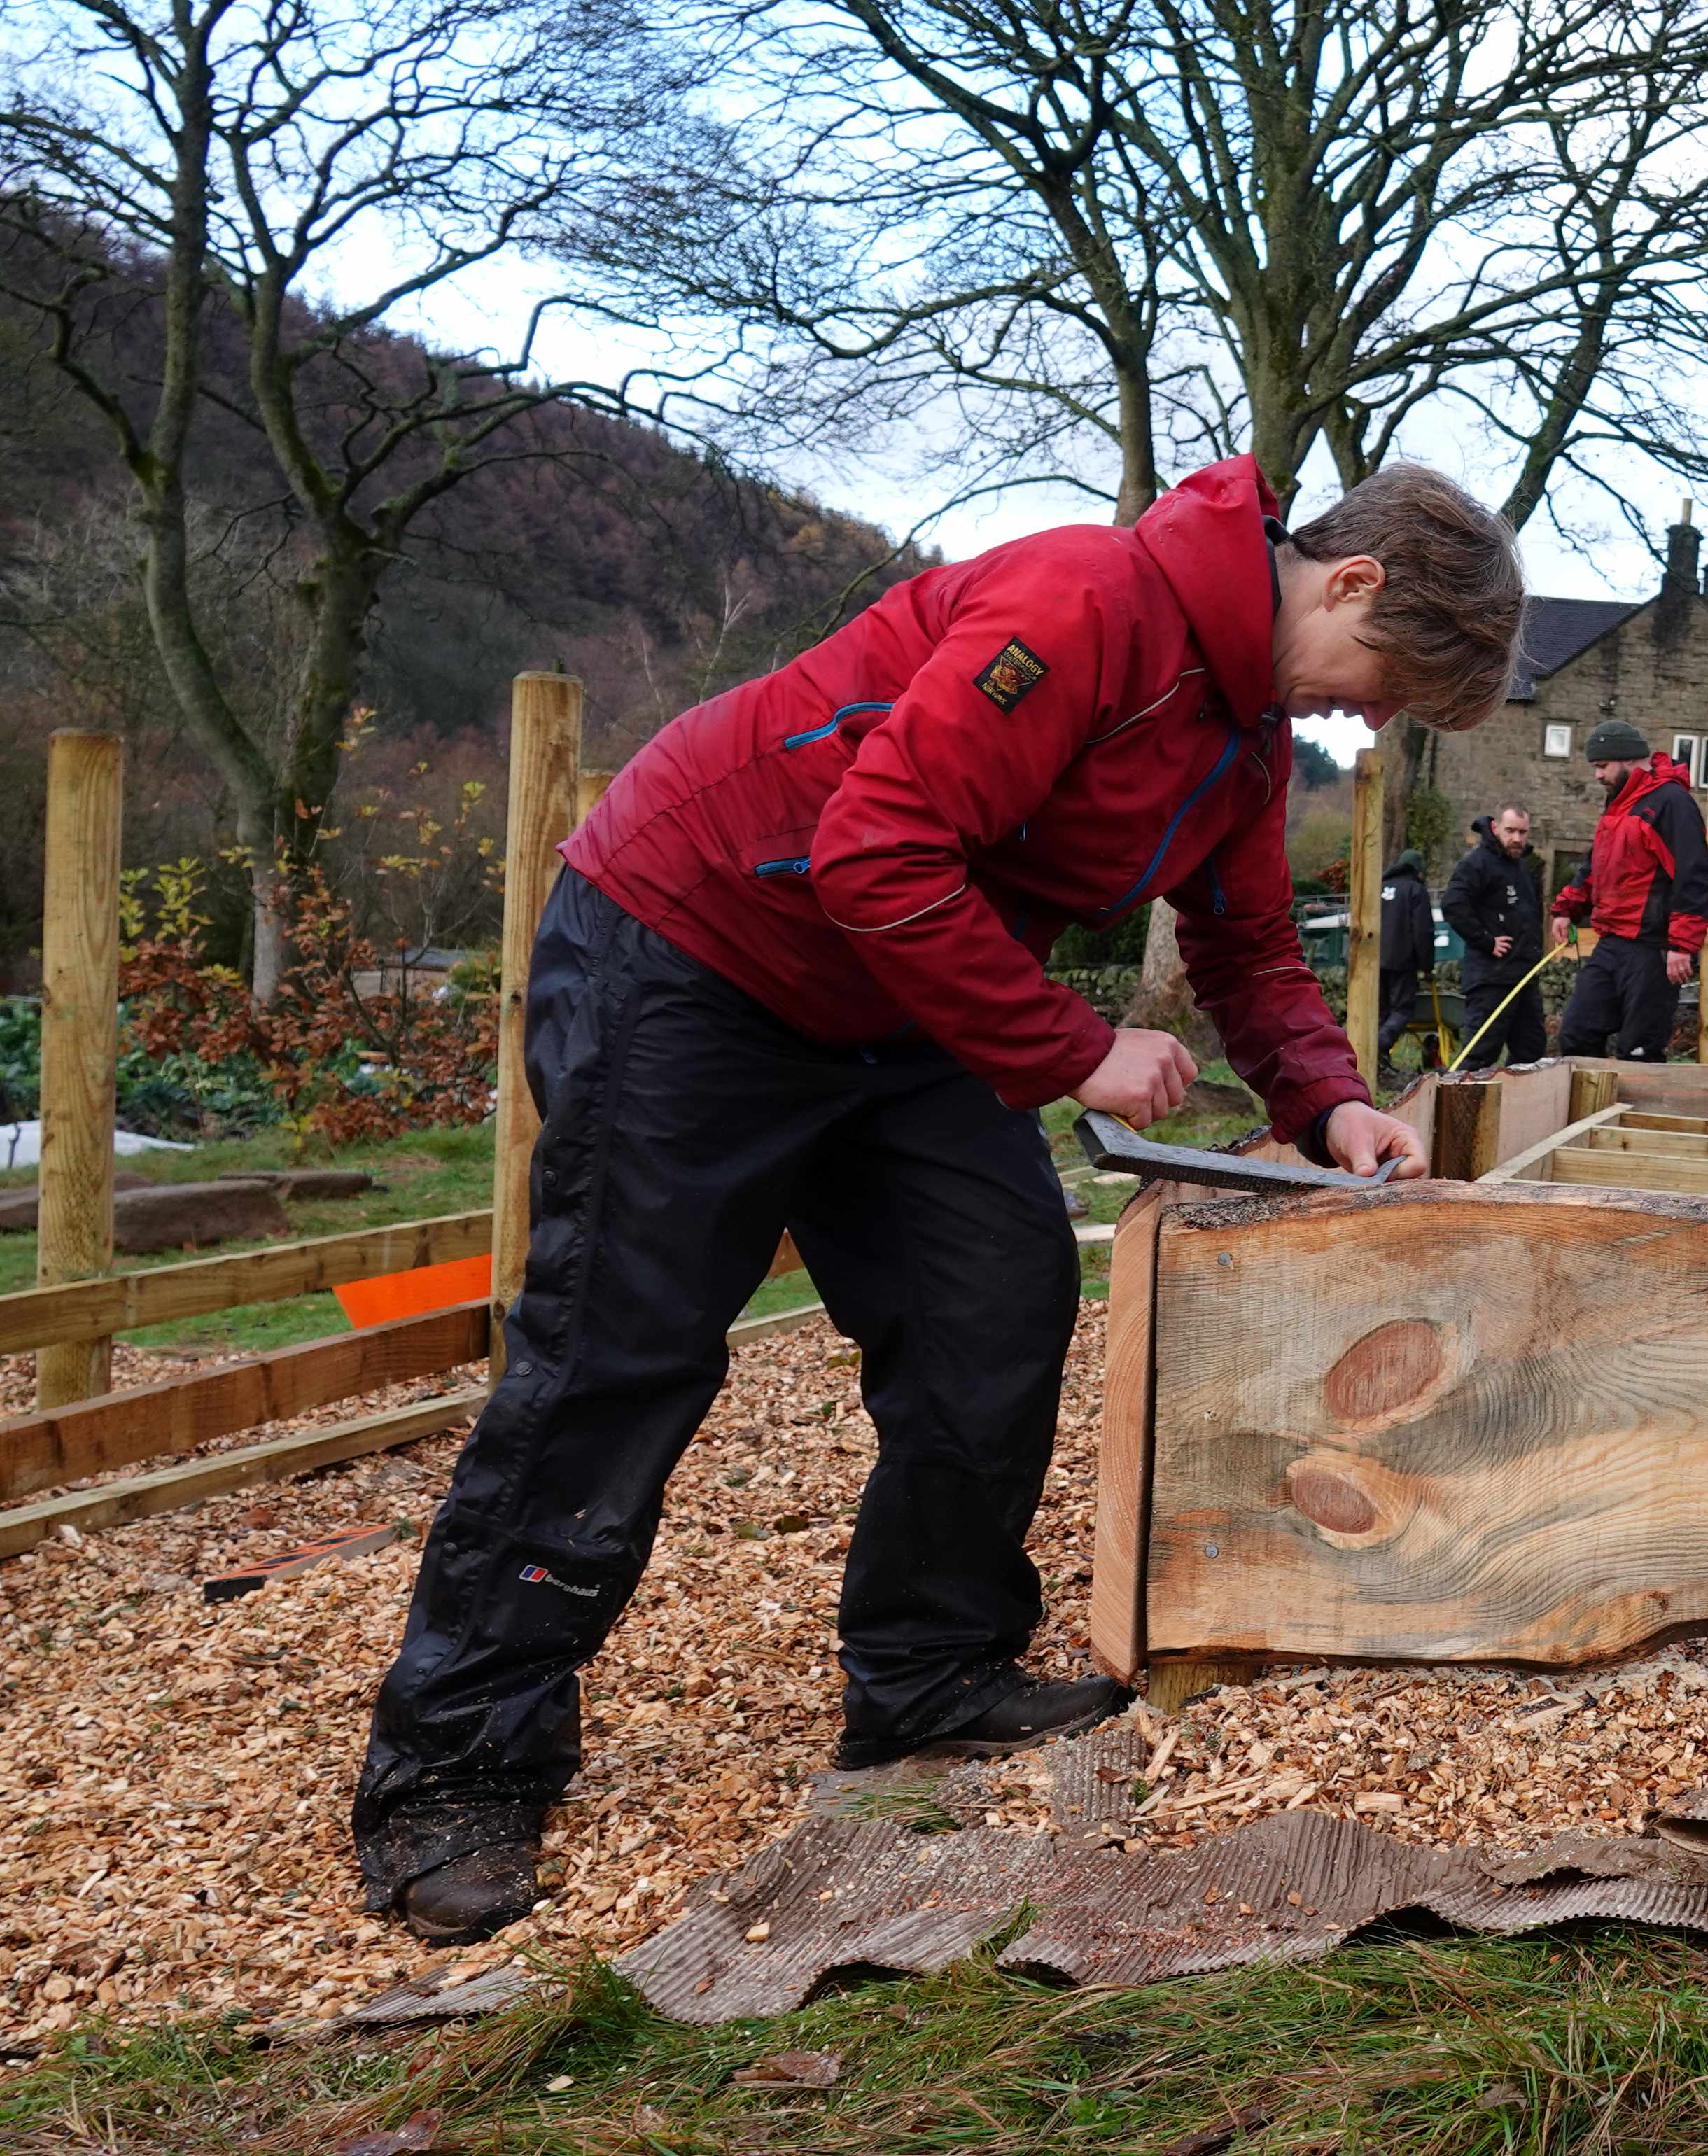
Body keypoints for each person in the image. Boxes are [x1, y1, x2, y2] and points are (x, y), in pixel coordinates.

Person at [351, 454, 1525, 1944]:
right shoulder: (1087, 601)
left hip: (893, 1000)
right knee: (618, 1349)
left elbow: (1245, 951)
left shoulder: (1242, 744)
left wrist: (1332, 1099)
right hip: (698, 947)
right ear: (1350, 580)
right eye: (1386, 679)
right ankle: (453, 1763)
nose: (1369, 713)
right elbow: (877, 845)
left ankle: (929, 1670)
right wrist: (1075, 1049)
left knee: (996, 1297)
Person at [1548, 720, 1708, 1060]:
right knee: (1577, 1033)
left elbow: (1693, 875)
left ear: (1626, 759)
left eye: (1602, 766)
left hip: (1653, 950)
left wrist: (1682, 945)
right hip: (1611, 944)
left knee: (1639, 1052)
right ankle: (1592, 1110)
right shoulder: (1618, 803)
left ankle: (1636, 1112)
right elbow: (1598, 864)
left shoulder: (1671, 803)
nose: (1597, 776)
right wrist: (1568, 907)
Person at [1440, 804, 1548, 1070]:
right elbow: (1453, 904)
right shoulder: (1478, 862)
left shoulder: (1522, 868)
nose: (1517, 839)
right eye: (1511, 831)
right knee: (1479, 1054)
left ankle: (1518, 1106)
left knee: (1531, 1052)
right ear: (1495, 827)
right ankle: (1460, 1106)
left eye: (1523, 832)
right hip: (1491, 978)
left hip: (1523, 976)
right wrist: (1486, 941)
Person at [1373, 844, 1436, 1073]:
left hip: (1375, 960)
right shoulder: (1414, 890)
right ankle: (1378, 1047)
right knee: (1401, 1010)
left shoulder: (1380, 886)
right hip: (1402, 960)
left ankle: (1376, 1062)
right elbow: (1423, 931)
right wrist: (1426, 966)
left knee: (1381, 1012)